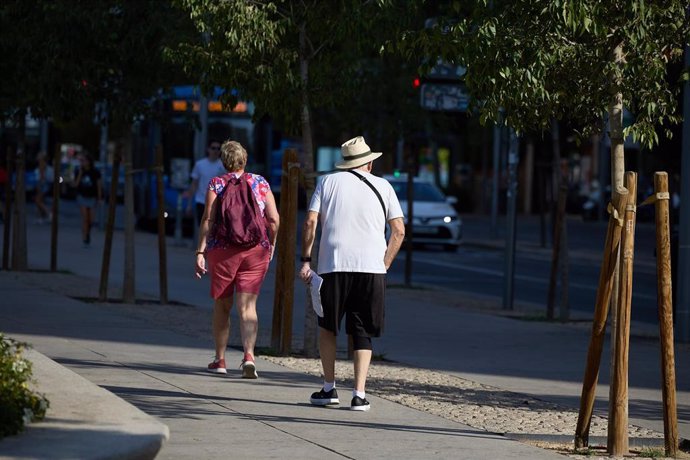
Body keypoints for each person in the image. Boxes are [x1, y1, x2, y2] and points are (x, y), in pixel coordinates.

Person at [299, 136, 405, 411]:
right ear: (369, 163)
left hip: (333, 265)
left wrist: (306, 259)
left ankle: (328, 387)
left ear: (345, 163)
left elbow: (310, 222)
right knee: (362, 331)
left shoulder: (327, 182)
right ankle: (359, 394)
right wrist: (385, 263)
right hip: (371, 269)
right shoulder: (385, 186)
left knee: (327, 326)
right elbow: (399, 230)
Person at [194, 140, 279, 378]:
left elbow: (208, 220)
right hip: (255, 250)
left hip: (223, 251)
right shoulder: (260, 182)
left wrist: (200, 251)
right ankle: (249, 356)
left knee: (222, 305)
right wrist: (270, 244)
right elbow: (274, 219)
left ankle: (220, 360)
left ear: (223, 161)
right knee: (248, 307)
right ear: (245, 159)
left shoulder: (217, 183)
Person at [185, 139, 227, 225]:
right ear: (208, 149)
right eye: (213, 148)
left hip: (216, 203)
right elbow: (194, 184)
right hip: (201, 201)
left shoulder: (223, 167)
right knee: (202, 228)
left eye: (218, 148)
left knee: (213, 230)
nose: (216, 150)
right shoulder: (200, 164)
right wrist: (189, 205)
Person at [73, 153, 102, 247]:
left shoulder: (95, 172)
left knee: (91, 219)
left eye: (84, 161)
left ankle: (88, 232)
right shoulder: (79, 170)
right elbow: (76, 184)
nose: (83, 163)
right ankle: (85, 237)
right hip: (82, 196)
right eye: (82, 161)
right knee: (85, 218)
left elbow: (99, 185)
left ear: (89, 162)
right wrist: (80, 173)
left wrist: (99, 197)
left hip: (92, 197)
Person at [34, 152, 53, 224]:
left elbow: (42, 176)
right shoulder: (41, 165)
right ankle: (40, 217)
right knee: (40, 201)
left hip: (42, 184)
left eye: (39, 156)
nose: (37, 157)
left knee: (38, 201)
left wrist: (40, 183)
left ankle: (48, 213)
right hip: (42, 184)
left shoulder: (42, 165)